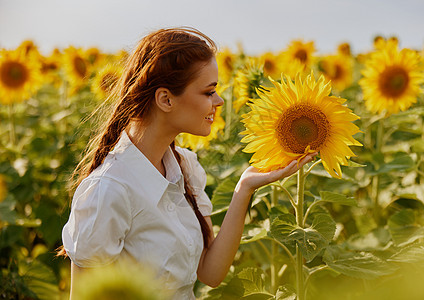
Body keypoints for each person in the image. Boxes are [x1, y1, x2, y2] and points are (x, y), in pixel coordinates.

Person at [61, 27, 316, 299]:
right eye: (208, 92)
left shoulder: (184, 167)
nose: (218, 101)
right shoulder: (109, 190)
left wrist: (244, 189)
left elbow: (210, 272)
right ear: (166, 99)